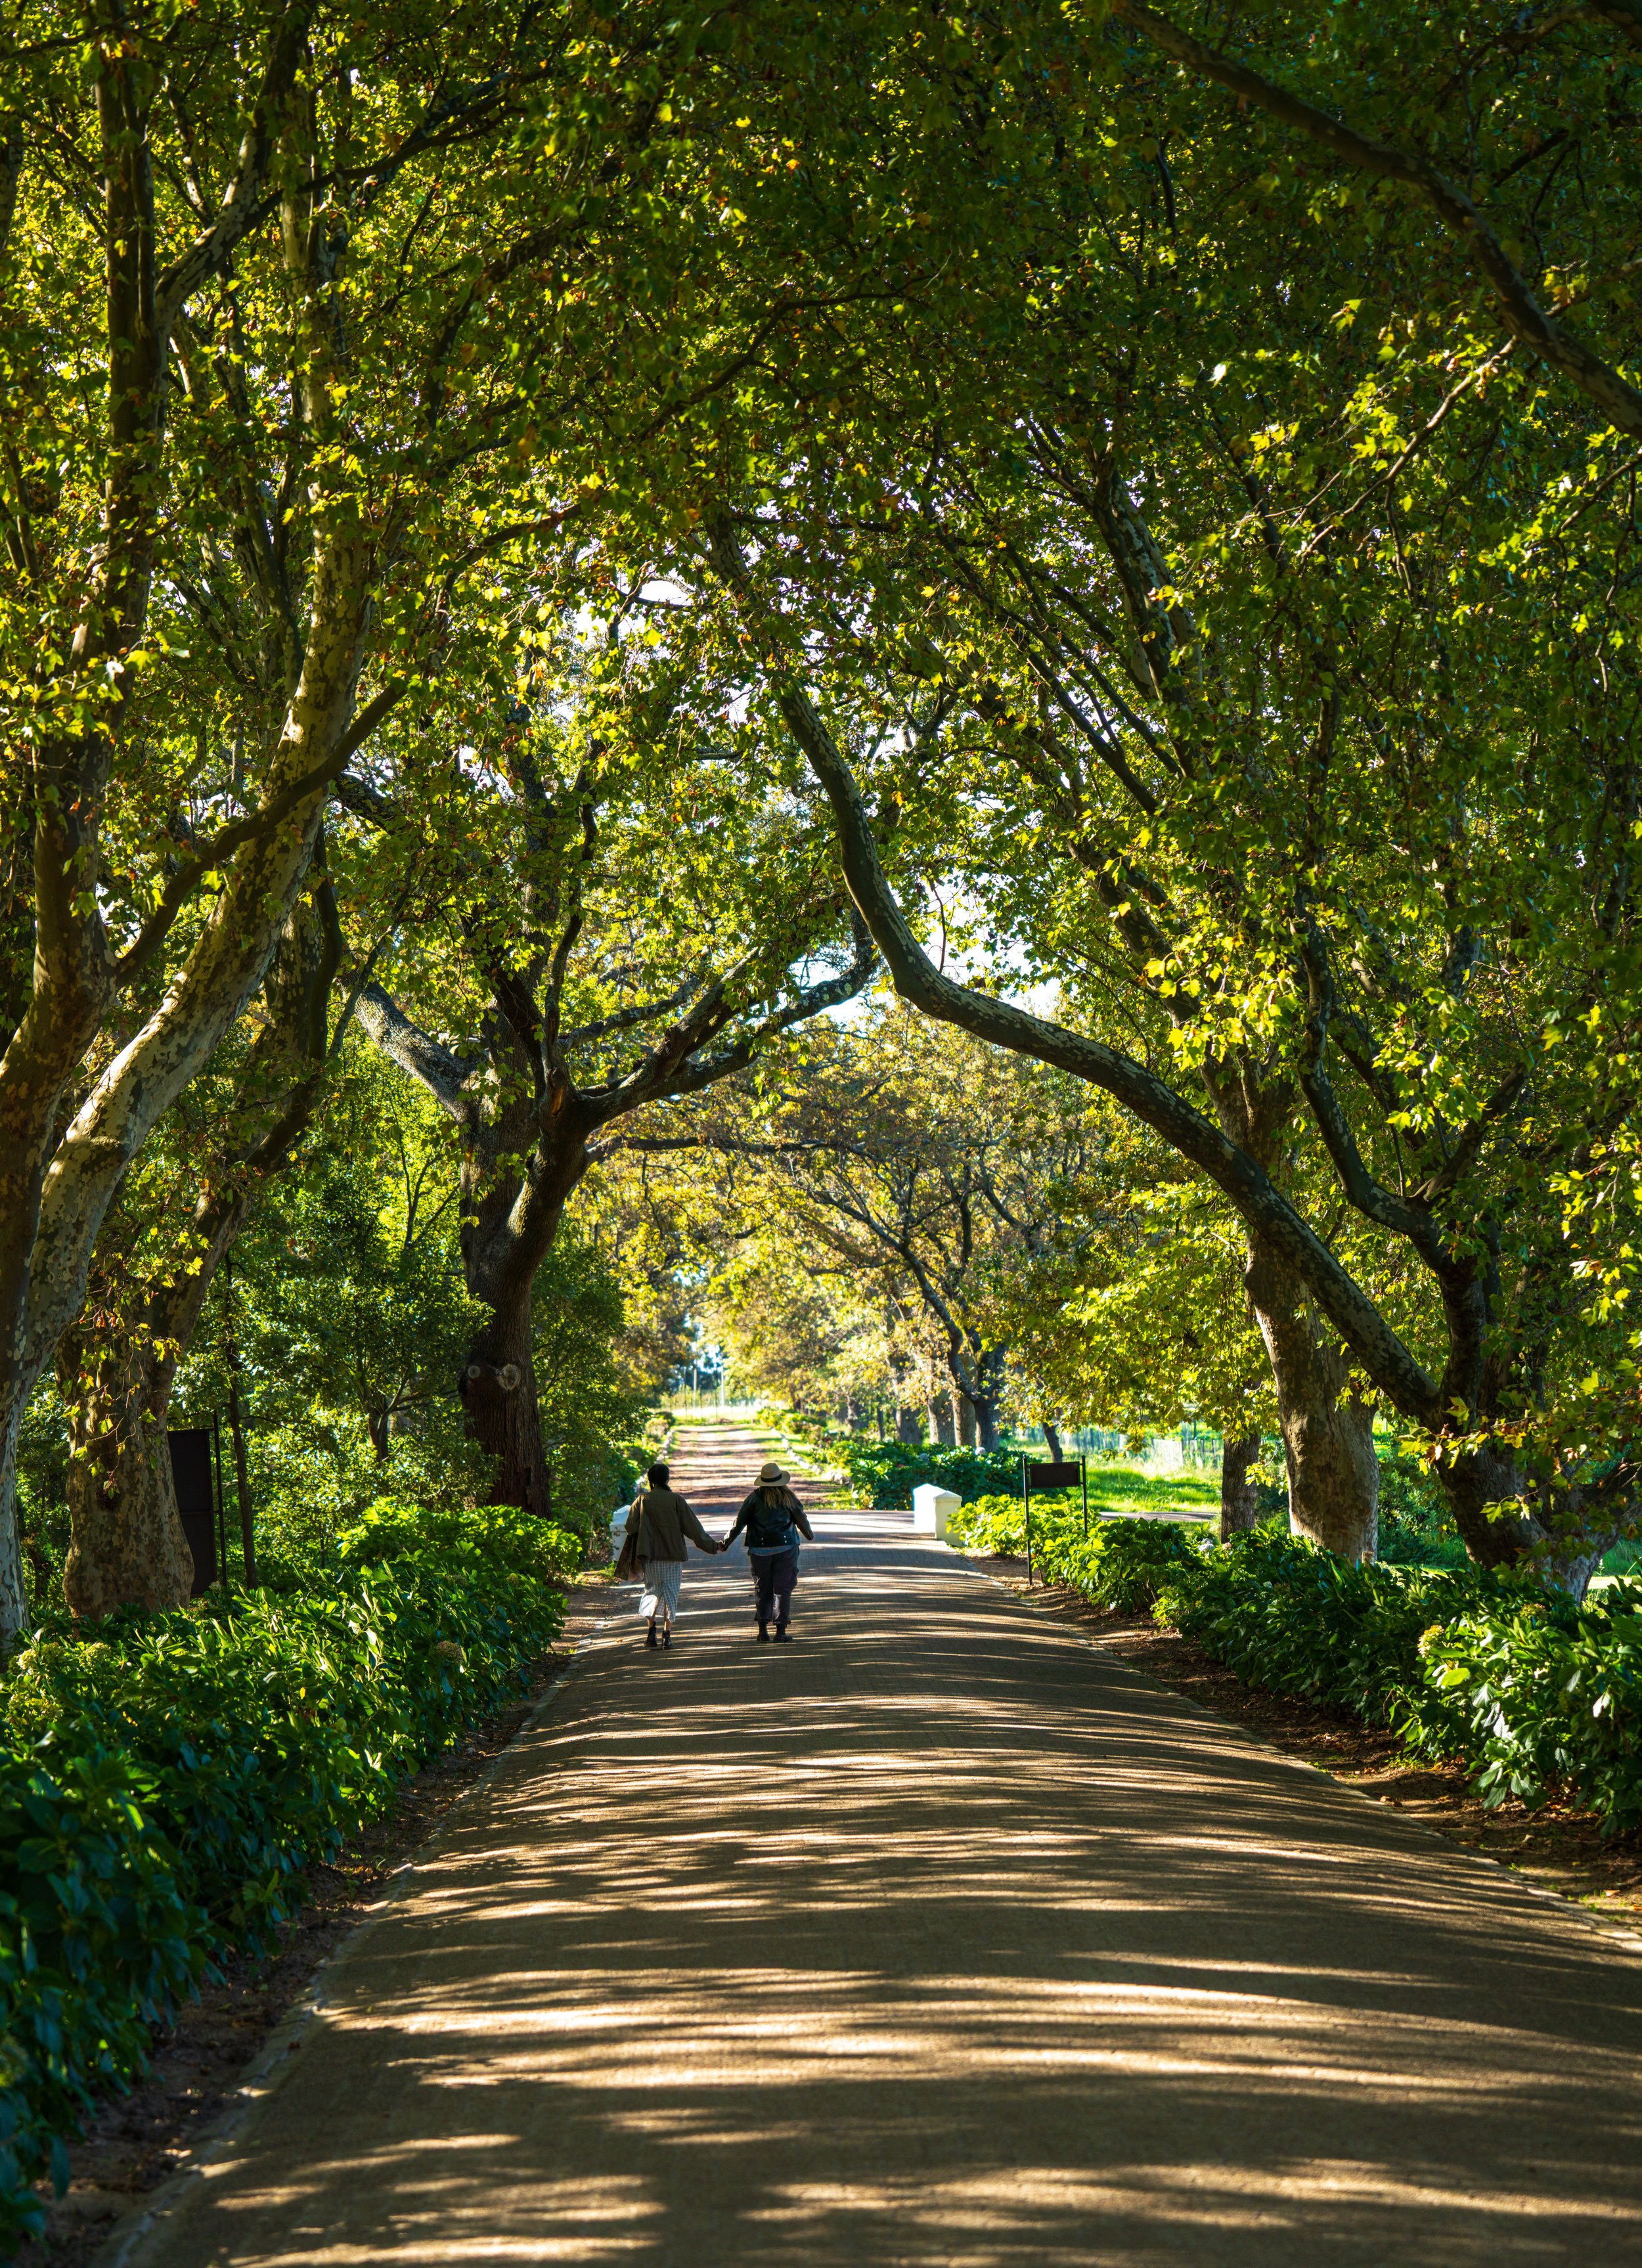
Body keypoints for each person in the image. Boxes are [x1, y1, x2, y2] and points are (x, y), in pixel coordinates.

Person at [627, 1461, 721, 1649]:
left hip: (650, 1557)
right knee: (670, 1595)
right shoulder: (676, 1500)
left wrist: (645, 1531)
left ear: (650, 1480)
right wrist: (713, 1546)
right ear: (667, 1479)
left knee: (652, 1592)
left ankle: (651, 1635)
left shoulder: (642, 1500)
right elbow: (694, 1528)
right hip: (673, 1556)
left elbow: (630, 1527)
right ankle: (667, 1637)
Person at [722, 1459, 814, 1642]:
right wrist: (808, 1534)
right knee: (783, 1589)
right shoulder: (789, 1497)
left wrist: (725, 1543)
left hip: (759, 1550)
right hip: (786, 1549)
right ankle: (780, 1632)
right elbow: (801, 1519)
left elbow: (739, 1523)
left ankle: (763, 1631)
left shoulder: (753, 1498)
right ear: (780, 1480)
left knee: (762, 1588)